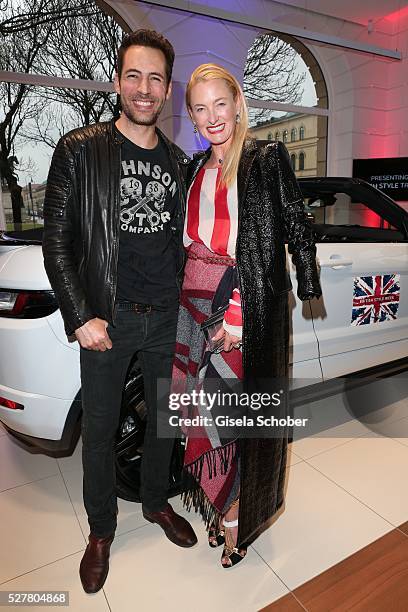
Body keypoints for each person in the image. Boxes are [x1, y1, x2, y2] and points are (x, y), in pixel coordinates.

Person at [42, 29, 197, 594]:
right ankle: (101, 532)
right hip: (108, 319)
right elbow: (56, 241)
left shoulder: (180, 164)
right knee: (102, 430)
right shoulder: (80, 149)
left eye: (155, 78)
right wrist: (81, 315)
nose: (144, 87)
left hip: (167, 317)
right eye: (134, 75)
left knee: (164, 421)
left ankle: (155, 503)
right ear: (117, 82)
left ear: (167, 89)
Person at [172, 63, 321, 568]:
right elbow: (185, 241)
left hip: (236, 308)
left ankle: (239, 513)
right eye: (201, 107)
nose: (212, 116)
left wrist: (306, 280)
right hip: (191, 307)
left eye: (221, 104)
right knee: (199, 413)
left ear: (238, 105)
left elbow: (294, 223)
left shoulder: (264, 159)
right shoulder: (193, 169)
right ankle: (221, 503)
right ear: (191, 116)